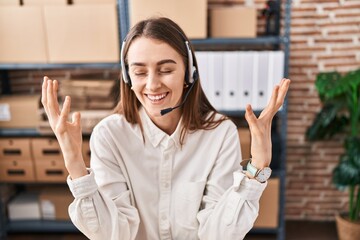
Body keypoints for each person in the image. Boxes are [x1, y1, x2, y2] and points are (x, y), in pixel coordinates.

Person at [41, 17, 290, 240]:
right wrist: (75, 164)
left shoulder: (220, 134)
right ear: (127, 78)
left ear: (188, 73)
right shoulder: (109, 136)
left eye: (166, 70)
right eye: (139, 72)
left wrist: (257, 167)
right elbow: (112, 234)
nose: (152, 84)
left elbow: (219, 234)